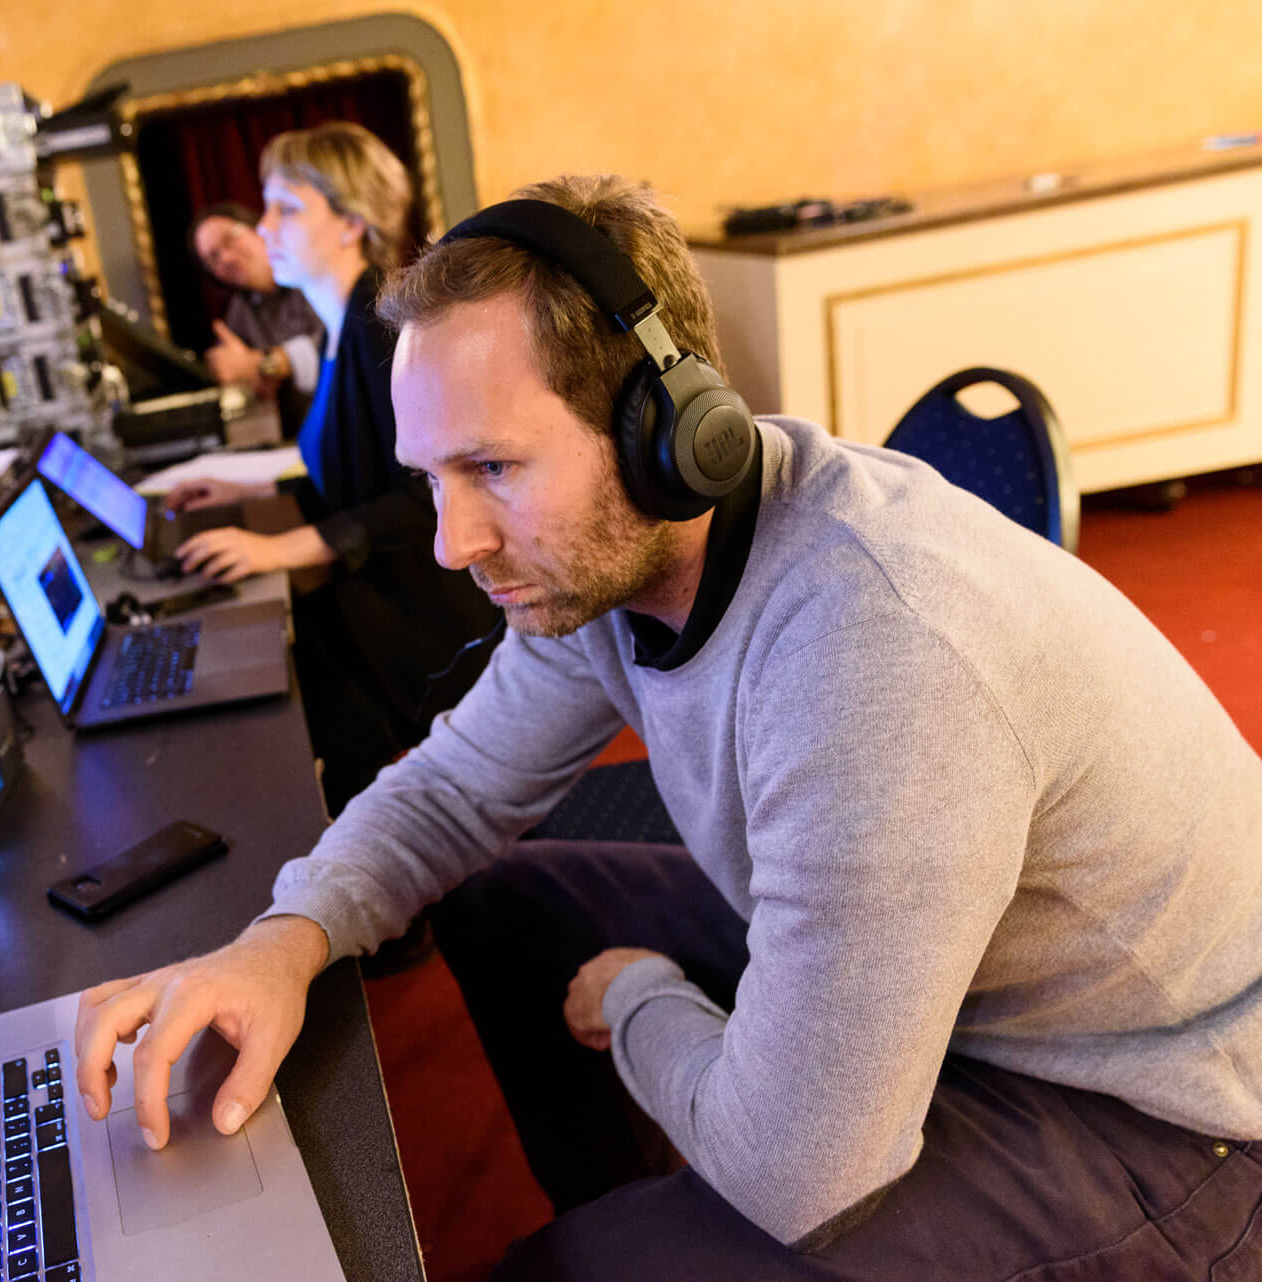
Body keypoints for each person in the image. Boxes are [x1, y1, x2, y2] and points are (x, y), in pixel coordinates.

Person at [74, 175, 1262, 1278]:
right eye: (435, 477)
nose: (451, 542)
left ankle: (666, 1218)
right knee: (506, 908)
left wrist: (644, 1001)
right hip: (968, 984)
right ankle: (666, 1203)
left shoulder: (875, 657)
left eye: (494, 467)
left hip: (1166, 1107)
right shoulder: (606, 566)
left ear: (668, 431)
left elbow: (799, 1177)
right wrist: (282, 940)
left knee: (573, 1269)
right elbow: (454, 789)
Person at [171, 123, 501, 813]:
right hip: (377, 606)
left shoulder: (380, 328)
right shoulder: (343, 321)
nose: (264, 228)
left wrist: (273, 549)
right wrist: (248, 485)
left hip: (424, 625)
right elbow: (352, 458)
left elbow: (419, 499)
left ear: (353, 221)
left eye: (286, 209)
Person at [188, 202, 325, 435]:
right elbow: (236, 368)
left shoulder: (308, 269)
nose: (226, 259)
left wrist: (262, 364)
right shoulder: (240, 308)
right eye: (213, 258)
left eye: (229, 240)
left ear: (257, 228)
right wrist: (237, 375)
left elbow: (338, 348)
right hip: (304, 433)